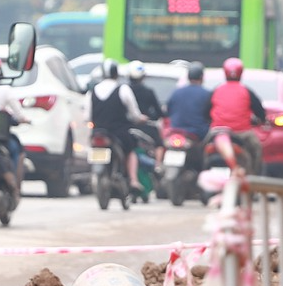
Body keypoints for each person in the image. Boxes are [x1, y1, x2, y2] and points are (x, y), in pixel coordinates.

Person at [89, 60, 150, 191]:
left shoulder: (92, 91)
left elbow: (86, 116)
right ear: (116, 74)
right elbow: (134, 114)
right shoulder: (123, 89)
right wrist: (141, 119)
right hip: (118, 132)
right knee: (131, 151)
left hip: (97, 132)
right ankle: (133, 180)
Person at [208, 56, 267, 171]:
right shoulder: (246, 91)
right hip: (242, 133)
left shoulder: (217, 90)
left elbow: (206, 111)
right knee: (256, 149)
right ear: (241, 73)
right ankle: (253, 181)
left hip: (216, 132)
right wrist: (262, 120)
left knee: (201, 147)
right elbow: (260, 112)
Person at [165, 61, 213, 137]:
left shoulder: (176, 92)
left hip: (176, 132)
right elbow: (210, 115)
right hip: (198, 133)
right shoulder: (207, 94)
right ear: (201, 77)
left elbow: (168, 111)